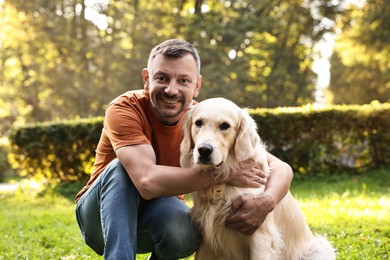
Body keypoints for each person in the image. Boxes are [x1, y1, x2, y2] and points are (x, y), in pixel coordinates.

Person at [75, 39, 293, 260]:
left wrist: (267, 201)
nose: (171, 90)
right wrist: (226, 173)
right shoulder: (124, 109)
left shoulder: (202, 118)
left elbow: (280, 167)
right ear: (146, 79)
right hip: (100, 219)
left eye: (183, 80)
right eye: (161, 78)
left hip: (152, 219)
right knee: (121, 169)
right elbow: (146, 181)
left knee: (186, 232)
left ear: (196, 85)